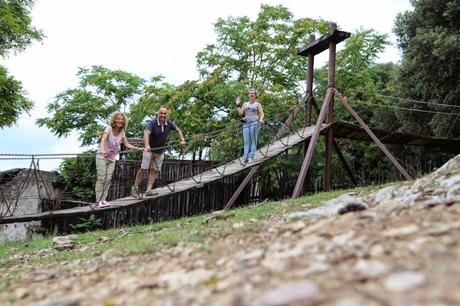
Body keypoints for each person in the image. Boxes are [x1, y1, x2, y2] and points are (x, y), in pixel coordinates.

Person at [131, 106, 186, 198]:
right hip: (149, 150)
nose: (163, 115)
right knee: (143, 168)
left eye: (165, 113)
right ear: (158, 114)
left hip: (160, 151)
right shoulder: (152, 123)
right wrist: (147, 145)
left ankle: (148, 190)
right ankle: (135, 188)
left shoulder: (168, 123)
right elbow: (146, 133)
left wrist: (182, 139)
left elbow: (178, 129)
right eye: (161, 113)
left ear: (167, 114)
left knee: (155, 170)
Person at [95, 112, 142, 208]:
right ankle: (98, 200)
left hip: (112, 159)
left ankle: (103, 199)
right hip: (101, 157)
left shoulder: (122, 132)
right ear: (114, 120)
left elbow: (127, 144)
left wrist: (139, 149)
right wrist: (102, 149)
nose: (120, 121)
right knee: (101, 178)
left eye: (122, 119)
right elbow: (103, 139)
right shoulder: (109, 128)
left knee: (108, 179)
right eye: (118, 119)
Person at [236, 88, 265, 163]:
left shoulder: (257, 104)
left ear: (255, 95)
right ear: (248, 95)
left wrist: (261, 119)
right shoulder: (245, 104)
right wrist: (238, 105)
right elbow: (240, 113)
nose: (251, 94)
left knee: (253, 140)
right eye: (250, 93)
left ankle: (251, 156)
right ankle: (245, 157)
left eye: (253, 93)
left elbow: (262, 113)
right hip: (246, 124)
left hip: (255, 123)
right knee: (246, 141)